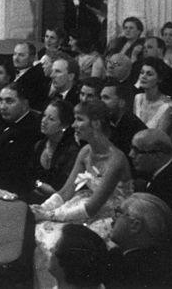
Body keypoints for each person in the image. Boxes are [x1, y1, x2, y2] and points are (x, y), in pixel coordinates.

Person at [31, 100, 133, 289]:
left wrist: (48, 215)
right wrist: (40, 209)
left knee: (64, 244)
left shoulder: (116, 159)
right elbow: (66, 191)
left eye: (79, 119)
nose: (74, 125)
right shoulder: (85, 151)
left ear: (95, 123)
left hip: (111, 215)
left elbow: (93, 206)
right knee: (36, 228)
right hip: (85, 205)